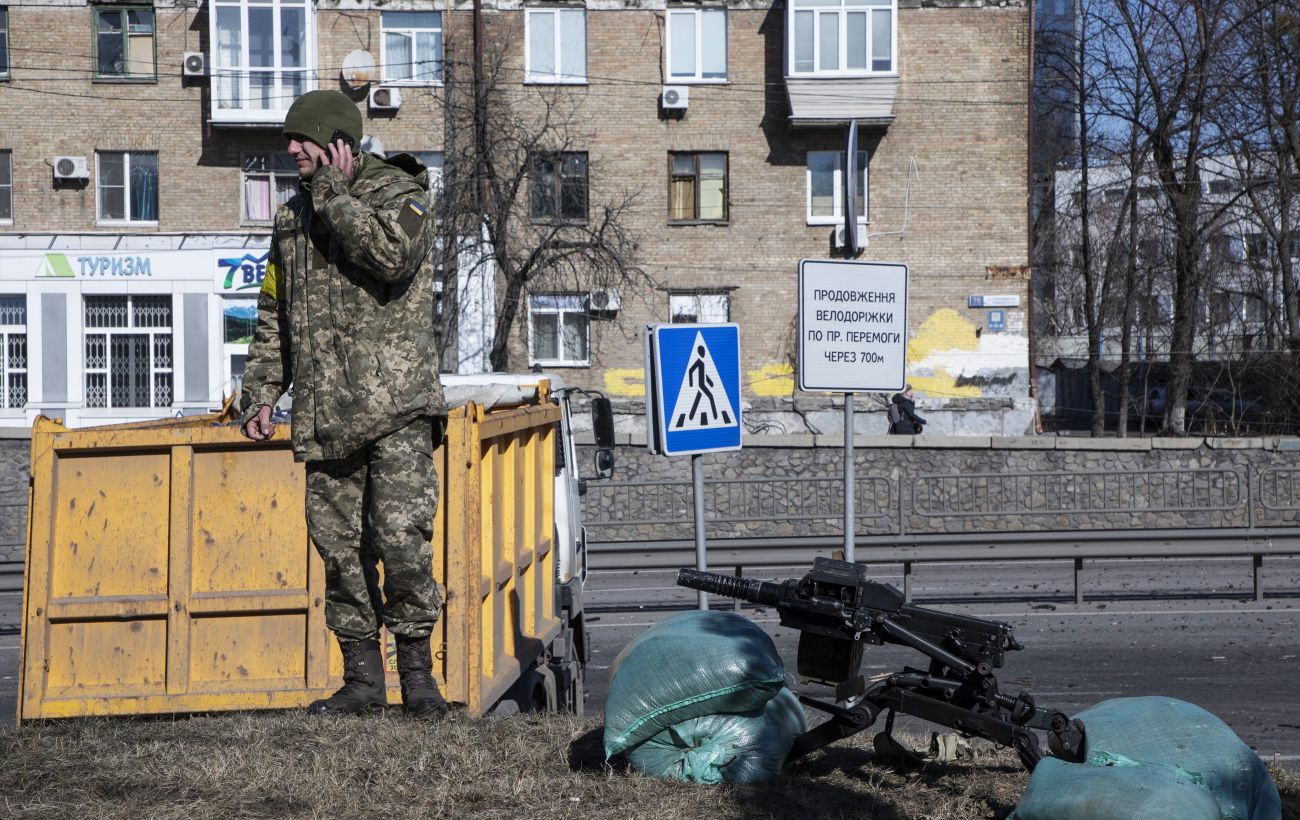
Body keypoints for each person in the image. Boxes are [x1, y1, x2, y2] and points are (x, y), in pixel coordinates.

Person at [239, 90, 447, 718]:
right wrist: (262, 391)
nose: (292, 153)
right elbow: (276, 313)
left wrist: (332, 194)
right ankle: (361, 679)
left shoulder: (403, 195)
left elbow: (389, 255)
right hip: (326, 415)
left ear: (338, 143)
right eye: (289, 143)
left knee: (401, 541)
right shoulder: (292, 220)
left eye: (303, 142)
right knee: (338, 548)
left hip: (395, 410)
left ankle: (417, 675)